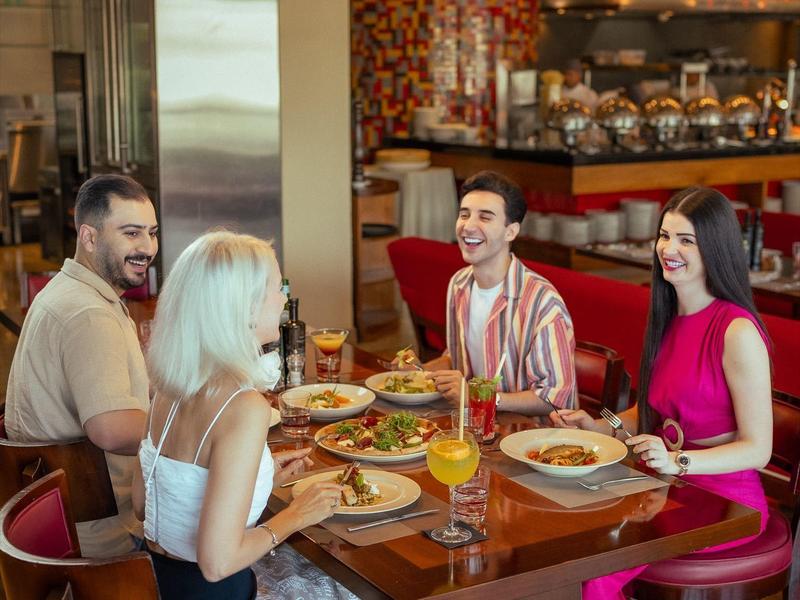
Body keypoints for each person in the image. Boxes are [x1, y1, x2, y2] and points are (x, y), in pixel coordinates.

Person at [551, 187, 772, 599]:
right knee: (571, 540)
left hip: (726, 502)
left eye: (686, 240)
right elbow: (650, 416)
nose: (669, 248)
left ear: (715, 248)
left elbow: (758, 450)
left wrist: (675, 461)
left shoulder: (736, 330)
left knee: (598, 568)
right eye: (665, 236)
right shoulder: (667, 318)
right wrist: (599, 427)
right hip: (668, 489)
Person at [132, 231, 351, 599]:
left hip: (151, 581)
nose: (284, 296)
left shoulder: (168, 387)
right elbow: (216, 563)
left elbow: (144, 506)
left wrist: (257, 477)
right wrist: (298, 514)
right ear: (246, 307)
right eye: (276, 285)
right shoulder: (245, 405)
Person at [5, 174, 158, 557]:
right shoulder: (89, 314)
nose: (148, 247)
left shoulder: (70, 290)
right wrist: (195, 423)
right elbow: (110, 428)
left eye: (152, 233)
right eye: (131, 233)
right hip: (104, 537)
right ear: (90, 238)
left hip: (62, 515)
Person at [424, 171, 577, 416]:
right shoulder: (459, 284)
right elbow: (457, 359)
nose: (468, 226)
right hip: (472, 427)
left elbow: (555, 399)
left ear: (511, 232)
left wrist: (480, 398)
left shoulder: (542, 301)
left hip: (527, 439)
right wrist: (416, 373)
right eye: (464, 215)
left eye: (485, 217)